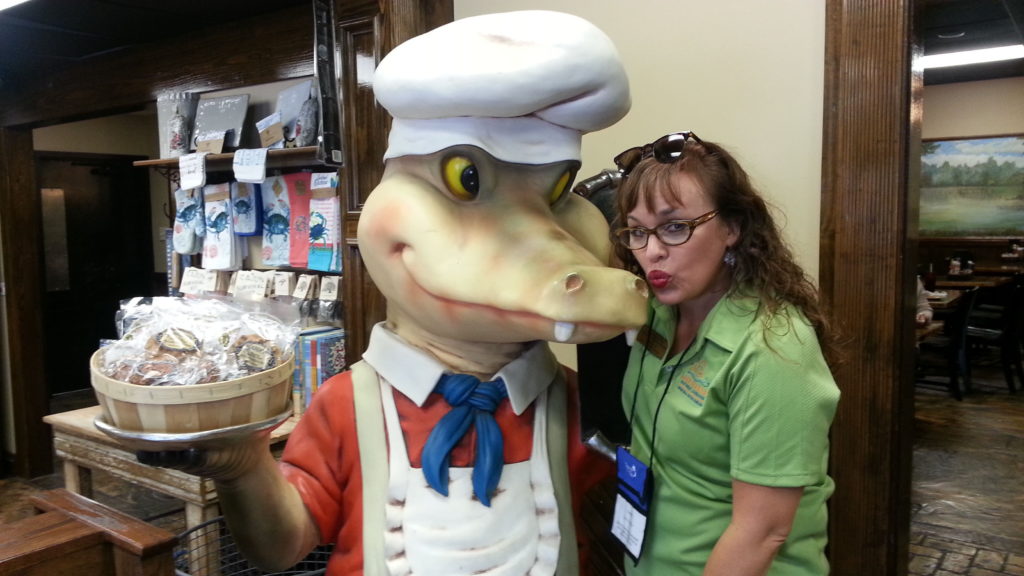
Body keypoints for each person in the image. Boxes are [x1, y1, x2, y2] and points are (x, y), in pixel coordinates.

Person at [610, 131, 841, 575]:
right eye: (637, 232)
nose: (651, 252)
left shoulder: (773, 350)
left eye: (675, 227)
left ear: (733, 228)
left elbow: (761, 533)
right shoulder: (658, 315)